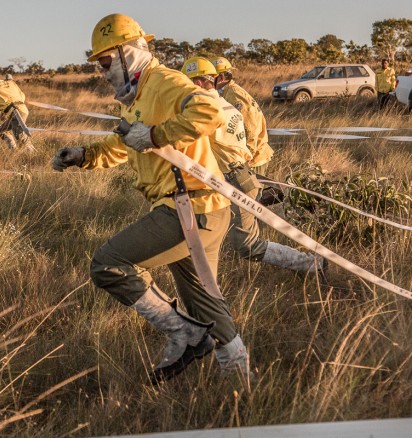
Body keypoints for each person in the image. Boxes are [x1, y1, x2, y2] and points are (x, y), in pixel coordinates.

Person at [51, 14, 249, 383]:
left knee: (107, 265)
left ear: (128, 53)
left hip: (189, 208)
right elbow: (126, 142)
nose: (103, 72)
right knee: (205, 304)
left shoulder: (166, 82)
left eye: (107, 62)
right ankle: (243, 387)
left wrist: (158, 135)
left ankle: (184, 334)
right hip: (199, 208)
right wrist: (85, 155)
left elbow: (210, 110)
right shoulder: (137, 95)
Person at [210, 57, 325, 274]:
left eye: (212, 78)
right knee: (250, 206)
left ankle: (274, 241)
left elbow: (251, 129)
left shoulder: (235, 97)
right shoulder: (226, 94)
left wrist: (246, 159)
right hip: (245, 160)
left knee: (251, 206)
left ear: (222, 77)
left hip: (250, 160)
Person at [0, 73, 35, 150]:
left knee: (20, 136)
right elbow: (22, 96)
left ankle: (31, 154)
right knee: (2, 131)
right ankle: (13, 149)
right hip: (22, 110)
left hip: (16, 113)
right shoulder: (10, 83)